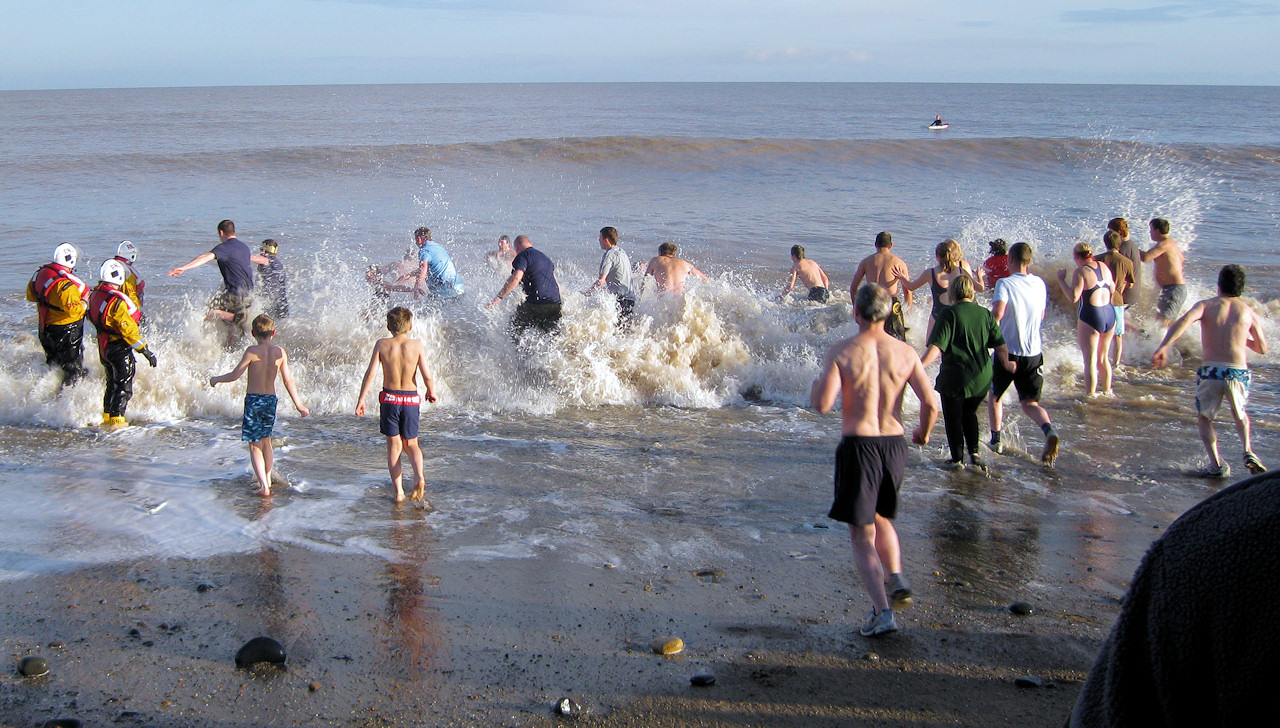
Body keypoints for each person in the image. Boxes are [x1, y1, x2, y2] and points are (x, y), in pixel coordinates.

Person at [1068, 469, 1280, 728]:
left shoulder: (1211, 540)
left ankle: (1218, 461)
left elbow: (1115, 704)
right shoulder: (1215, 539)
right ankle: (1243, 450)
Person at [810, 283, 939, 637]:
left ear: (856, 312)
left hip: (860, 446)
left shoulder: (843, 351)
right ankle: (895, 576)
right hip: (895, 444)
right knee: (882, 515)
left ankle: (883, 612)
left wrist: (815, 386)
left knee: (861, 533)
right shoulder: (907, 352)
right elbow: (931, 404)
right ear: (887, 312)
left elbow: (822, 404)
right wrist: (923, 434)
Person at [1152, 265, 1268, 478]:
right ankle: (1248, 451)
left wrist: (1164, 346)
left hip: (1211, 371)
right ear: (1241, 288)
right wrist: (1243, 339)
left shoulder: (1206, 305)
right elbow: (1262, 348)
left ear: (1219, 285)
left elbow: (1184, 321)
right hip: (1237, 372)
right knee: (1239, 414)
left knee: (1205, 417)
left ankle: (1216, 464)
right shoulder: (1248, 312)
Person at [210, 314, 310, 496]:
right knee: (266, 442)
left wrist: (217, 379)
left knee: (254, 445)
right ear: (274, 332)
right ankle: (267, 481)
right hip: (270, 401)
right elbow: (289, 381)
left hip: (254, 401)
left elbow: (234, 375)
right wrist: (299, 405)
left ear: (253, 333)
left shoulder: (251, 351)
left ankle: (264, 486)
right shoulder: (280, 352)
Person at [922, 274, 1011, 470]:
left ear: (953, 292)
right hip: (981, 378)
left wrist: (919, 366)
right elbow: (1001, 346)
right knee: (970, 413)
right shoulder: (985, 314)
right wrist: (1007, 364)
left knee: (953, 417)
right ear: (971, 292)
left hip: (956, 377)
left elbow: (937, 348)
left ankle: (957, 459)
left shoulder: (948, 314)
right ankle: (974, 453)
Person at [985, 243, 1060, 466]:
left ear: (1010, 261)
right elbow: (1043, 313)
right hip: (1034, 352)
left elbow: (998, 312)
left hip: (1008, 351)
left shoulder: (1004, 283)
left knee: (995, 396)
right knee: (1030, 403)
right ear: (1030, 261)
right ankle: (1049, 431)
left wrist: (987, 332)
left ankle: (996, 440)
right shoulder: (1039, 283)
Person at [355, 306, 438, 503]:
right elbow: (426, 373)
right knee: (412, 444)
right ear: (410, 326)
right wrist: (430, 390)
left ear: (388, 326)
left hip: (390, 399)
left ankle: (399, 492)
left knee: (394, 446)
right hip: (410, 399)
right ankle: (419, 476)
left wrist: (361, 399)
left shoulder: (382, 344)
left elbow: (371, 373)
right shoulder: (416, 345)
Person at [88, 260, 158, 427]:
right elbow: (129, 331)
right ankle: (117, 420)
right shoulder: (117, 302)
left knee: (111, 383)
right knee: (123, 385)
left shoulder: (96, 294)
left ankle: (107, 416)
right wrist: (145, 350)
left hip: (103, 346)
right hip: (118, 347)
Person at [168, 220, 257, 344]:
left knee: (208, 313)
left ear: (221, 232)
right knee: (238, 329)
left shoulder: (224, 248)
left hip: (234, 294)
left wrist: (184, 267)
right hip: (248, 294)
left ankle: (204, 343)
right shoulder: (244, 247)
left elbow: (204, 257)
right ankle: (233, 343)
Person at [1057, 242, 1117, 397]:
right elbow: (1112, 289)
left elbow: (1074, 297)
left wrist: (1061, 280)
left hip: (1091, 315)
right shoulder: (1104, 266)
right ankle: (1108, 392)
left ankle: (1090, 395)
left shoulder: (1080, 271)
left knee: (1089, 361)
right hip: (1109, 314)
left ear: (1076, 256)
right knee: (1103, 358)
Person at [27, 243, 90, 388]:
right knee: (73, 370)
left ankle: (46, 397)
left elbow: (30, 295)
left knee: (53, 366)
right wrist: (84, 302)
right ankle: (66, 402)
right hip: (67, 332)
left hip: (45, 329)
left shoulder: (39, 274)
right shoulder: (66, 286)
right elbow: (73, 311)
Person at [904, 238, 983, 341]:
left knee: (930, 344)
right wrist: (979, 276)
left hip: (939, 313)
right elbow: (980, 288)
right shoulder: (960, 271)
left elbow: (911, 287)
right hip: (956, 313)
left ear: (937, 256)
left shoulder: (931, 273)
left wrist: (901, 277)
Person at [850, 232, 912, 341]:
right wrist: (909, 311)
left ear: (875, 244)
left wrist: (855, 306)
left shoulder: (866, 261)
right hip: (890, 302)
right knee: (897, 340)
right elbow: (908, 291)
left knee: (869, 339)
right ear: (891, 245)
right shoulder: (899, 263)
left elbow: (853, 287)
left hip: (870, 301)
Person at [1140, 217, 1186, 330]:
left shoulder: (1164, 244)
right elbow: (1182, 258)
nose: (1150, 233)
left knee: (1162, 324)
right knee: (1161, 322)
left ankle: (1159, 346)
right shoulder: (1171, 243)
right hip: (1172, 289)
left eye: (1151, 230)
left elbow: (1146, 258)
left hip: (1174, 289)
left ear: (1157, 230)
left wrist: (1130, 246)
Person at [1099, 231, 1135, 368]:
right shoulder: (1127, 262)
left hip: (1101, 300)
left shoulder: (1099, 259)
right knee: (1118, 334)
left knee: (1101, 333)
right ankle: (1116, 363)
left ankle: (1101, 359)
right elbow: (1131, 283)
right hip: (1117, 301)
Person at [584, 226, 636, 318]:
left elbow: (601, 281)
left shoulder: (609, 255)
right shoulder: (622, 252)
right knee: (626, 330)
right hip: (631, 298)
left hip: (621, 300)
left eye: (600, 238)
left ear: (606, 240)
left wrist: (588, 293)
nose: (599, 241)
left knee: (618, 329)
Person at [411, 227, 465, 299]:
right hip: (459, 287)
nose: (416, 243)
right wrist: (410, 275)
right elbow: (432, 267)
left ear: (419, 239)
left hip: (445, 291)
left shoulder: (424, 251)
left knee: (427, 305)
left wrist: (416, 289)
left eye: (416, 240)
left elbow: (423, 270)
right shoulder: (438, 247)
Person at [641, 242, 709, 295]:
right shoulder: (685, 264)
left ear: (660, 252)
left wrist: (641, 297)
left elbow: (646, 279)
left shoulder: (655, 260)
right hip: (679, 300)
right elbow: (705, 278)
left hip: (663, 299)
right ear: (674, 253)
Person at [1108, 217, 1143, 307]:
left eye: (1111, 231)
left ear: (1119, 232)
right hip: (1133, 292)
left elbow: (1120, 275)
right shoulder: (1132, 244)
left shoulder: (1122, 249)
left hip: (1126, 294)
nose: (1109, 235)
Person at [256, 239, 289, 319]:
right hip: (282, 302)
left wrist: (241, 256)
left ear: (263, 250)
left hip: (271, 302)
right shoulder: (278, 263)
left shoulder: (268, 259)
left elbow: (262, 260)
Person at [112, 240, 145, 311]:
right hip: (124, 310)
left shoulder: (108, 266)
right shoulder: (131, 272)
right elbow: (132, 296)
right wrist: (139, 314)